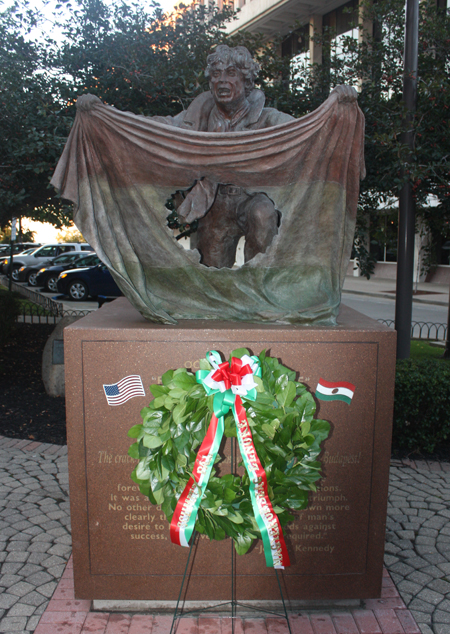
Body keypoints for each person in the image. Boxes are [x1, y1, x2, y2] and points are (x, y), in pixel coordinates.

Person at [76, 45, 356, 269]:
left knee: (263, 215)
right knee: (213, 278)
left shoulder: (269, 119)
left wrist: (337, 108)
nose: (222, 80)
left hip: (251, 199)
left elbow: (307, 133)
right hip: (212, 207)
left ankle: (259, 287)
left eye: (231, 73)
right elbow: (155, 127)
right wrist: (105, 116)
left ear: (246, 80)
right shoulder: (194, 120)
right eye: (216, 75)